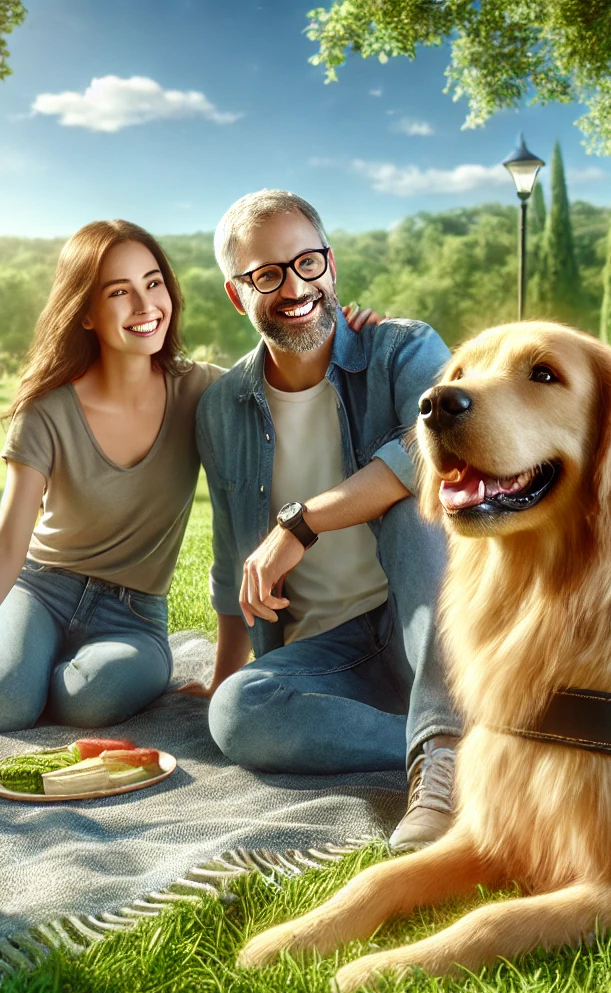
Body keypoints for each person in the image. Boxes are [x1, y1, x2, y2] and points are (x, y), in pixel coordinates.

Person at [196, 190, 461, 851]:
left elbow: (433, 456)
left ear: (331, 265)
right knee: (236, 713)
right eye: (267, 275)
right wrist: (227, 675)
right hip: (335, 656)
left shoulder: (402, 349)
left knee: (413, 512)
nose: (295, 287)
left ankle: (445, 760)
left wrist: (298, 524)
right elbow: (235, 558)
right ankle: (454, 744)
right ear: (238, 295)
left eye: (306, 263)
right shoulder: (223, 404)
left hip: (432, 622)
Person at [0, 221, 224, 732]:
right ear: (85, 313)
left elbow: (283, 373)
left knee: (87, 701)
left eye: (153, 283)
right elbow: (11, 538)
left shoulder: (203, 391)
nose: (146, 307)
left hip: (135, 616)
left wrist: (348, 328)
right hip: (40, 590)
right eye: (119, 292)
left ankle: (19, 668)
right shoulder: (47, 410)